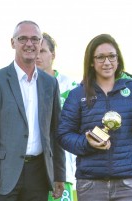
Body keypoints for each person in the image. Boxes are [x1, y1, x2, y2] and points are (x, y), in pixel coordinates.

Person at [57, 33, 132, 201]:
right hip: (90, 183)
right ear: (91, 62)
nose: (107, 62)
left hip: (128, 182)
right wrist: (87, 143)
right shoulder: (78, 94)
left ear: (118, 59)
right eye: (100, 57)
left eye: (111, 56)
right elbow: (63, 135)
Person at [0, 20, 66, 201]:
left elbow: (55, 131)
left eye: (34, 39)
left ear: (40, 43)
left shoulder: (50, 83)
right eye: (23, 38)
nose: (29, 44)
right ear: (12, 42)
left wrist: (59, 174)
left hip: (39, 174)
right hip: (2, 175)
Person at [36, 32, 78, 201]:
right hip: (34, 170)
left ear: (53, 54)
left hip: (62, 169)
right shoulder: (26, 84)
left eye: (43, 51)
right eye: (36, 51)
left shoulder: (70, 85)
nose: (38, 56)